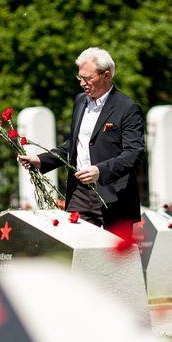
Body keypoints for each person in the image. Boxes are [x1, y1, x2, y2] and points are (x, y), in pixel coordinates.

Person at [17, 47, 144, 229]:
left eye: (88, 78)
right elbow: (74, 144)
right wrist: (41, 160)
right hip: (79, 194)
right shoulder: (80, 101)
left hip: (114, 195)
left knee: (114, 249)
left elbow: (134, 153)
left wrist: (100, 171)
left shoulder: (127, 108)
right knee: (75, 243)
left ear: (106, 75)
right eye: (80, 77)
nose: (83, 83)